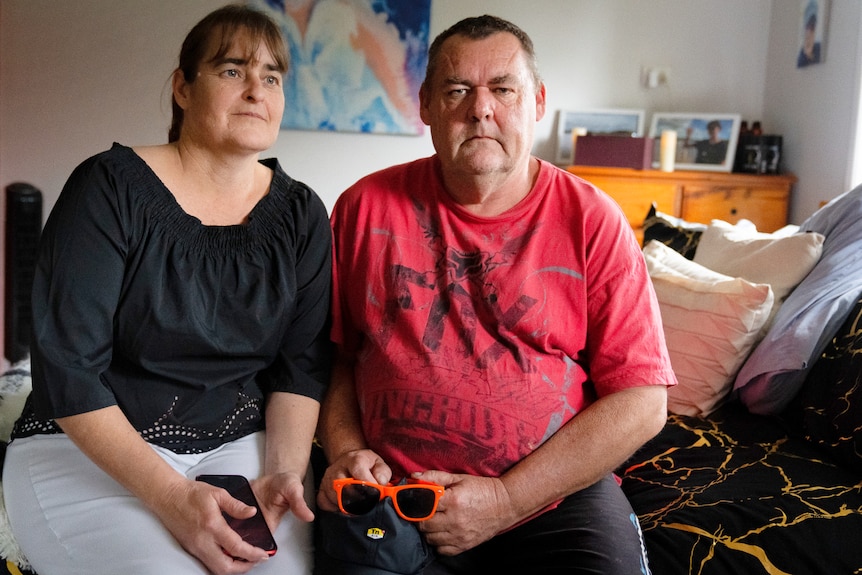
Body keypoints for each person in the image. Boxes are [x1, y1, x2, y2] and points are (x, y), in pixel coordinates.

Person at [316, 14, 675, 575]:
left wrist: (506, 501)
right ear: (427, 106)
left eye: (503, 89)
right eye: (457, 90)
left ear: (536, 103)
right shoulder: (363, 207)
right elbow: (338, 356)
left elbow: (643, 401)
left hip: (553, 498)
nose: (480, 109)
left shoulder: (592, 219)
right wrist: (343, 451)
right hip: (392, 489)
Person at [3, 5, 332, 575]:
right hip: (90, 445)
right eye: (233, 70)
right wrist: (172, 498)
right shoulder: (109, 188)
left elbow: (300, 367)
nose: (256, 90)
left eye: (272, 77)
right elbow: (69, 368)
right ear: (182, 87)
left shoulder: (302, 214)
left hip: (240, 444)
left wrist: (283, 469)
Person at [797, 0, 821, 67]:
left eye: (812, 28)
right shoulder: (801, 58)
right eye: (807, 28)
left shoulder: (819, 48)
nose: (809, 33)